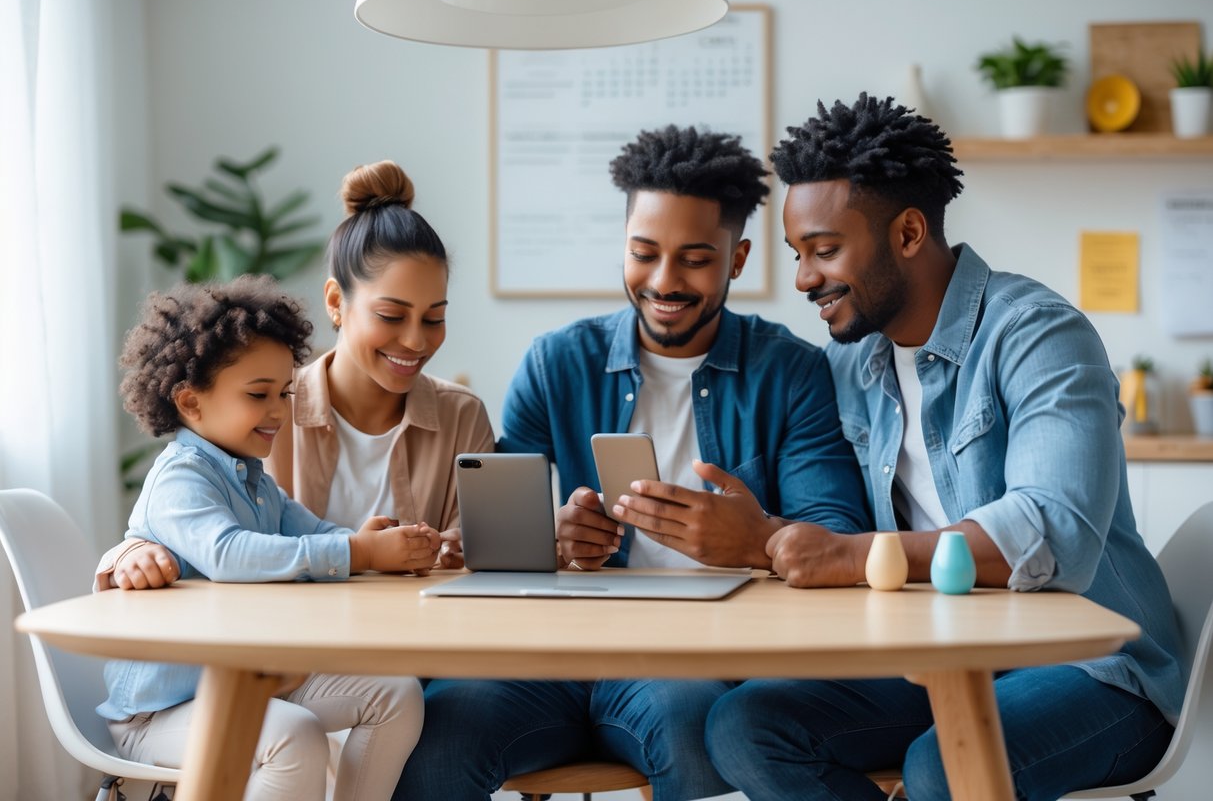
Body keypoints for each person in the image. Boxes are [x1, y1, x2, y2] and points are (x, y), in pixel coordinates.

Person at [704, 94, 1185, 801]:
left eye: (825, 250)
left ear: (906, 233)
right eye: (797, 254)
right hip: (942, 655)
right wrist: (755, 531)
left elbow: (1053, 533)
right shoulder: (850, 364)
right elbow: (815, 507)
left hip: (1098, 671)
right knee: (745, 724)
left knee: (941, 768)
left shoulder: (1040, 336)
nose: (804, 279)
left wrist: (849, 555)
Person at [395, 125, 870, 801]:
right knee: (438, 739)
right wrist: (549, 538)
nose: (663, 281)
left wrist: (754, 538)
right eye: (643, 254)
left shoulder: (790, 372)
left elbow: (835, 528)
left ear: (736, 260)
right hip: (542, 658)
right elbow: (491, 537)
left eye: (694, 259)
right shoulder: (556, 362)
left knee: (690, 733)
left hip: (688, 659)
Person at [99, 275, 431, 801]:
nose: (279, 411)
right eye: (259, 395)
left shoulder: (254, 480)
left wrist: (365, 540)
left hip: (247, 684)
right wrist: (358, 552)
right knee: (293, 737)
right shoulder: (179, 480)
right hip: (159, 712)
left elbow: (318, 533)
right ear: (190, 404)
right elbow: (230, 555)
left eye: (285, 392)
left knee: (397, 695)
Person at [98, 160, 495, 589]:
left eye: (434, 319)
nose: (417, 341)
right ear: (335, 301)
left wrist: (399, 546)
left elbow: (311, 530)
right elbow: (216, 547)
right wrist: (129, 549)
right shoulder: (250, 427)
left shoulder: (254, 471)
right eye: (391, 315)